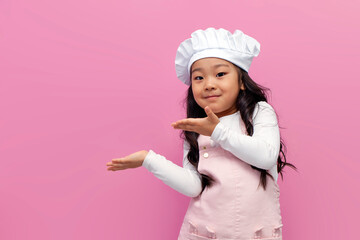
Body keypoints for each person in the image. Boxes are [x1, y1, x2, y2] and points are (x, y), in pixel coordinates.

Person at [106, 27, 297, 240]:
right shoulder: (196, 129)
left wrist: (217, 132)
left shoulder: (259, 112)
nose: (208, 84)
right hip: (204, 233)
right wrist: (149, 160)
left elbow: (265, 157)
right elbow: (193, 186)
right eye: (198, 78)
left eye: (220, 74)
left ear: (242, 81)